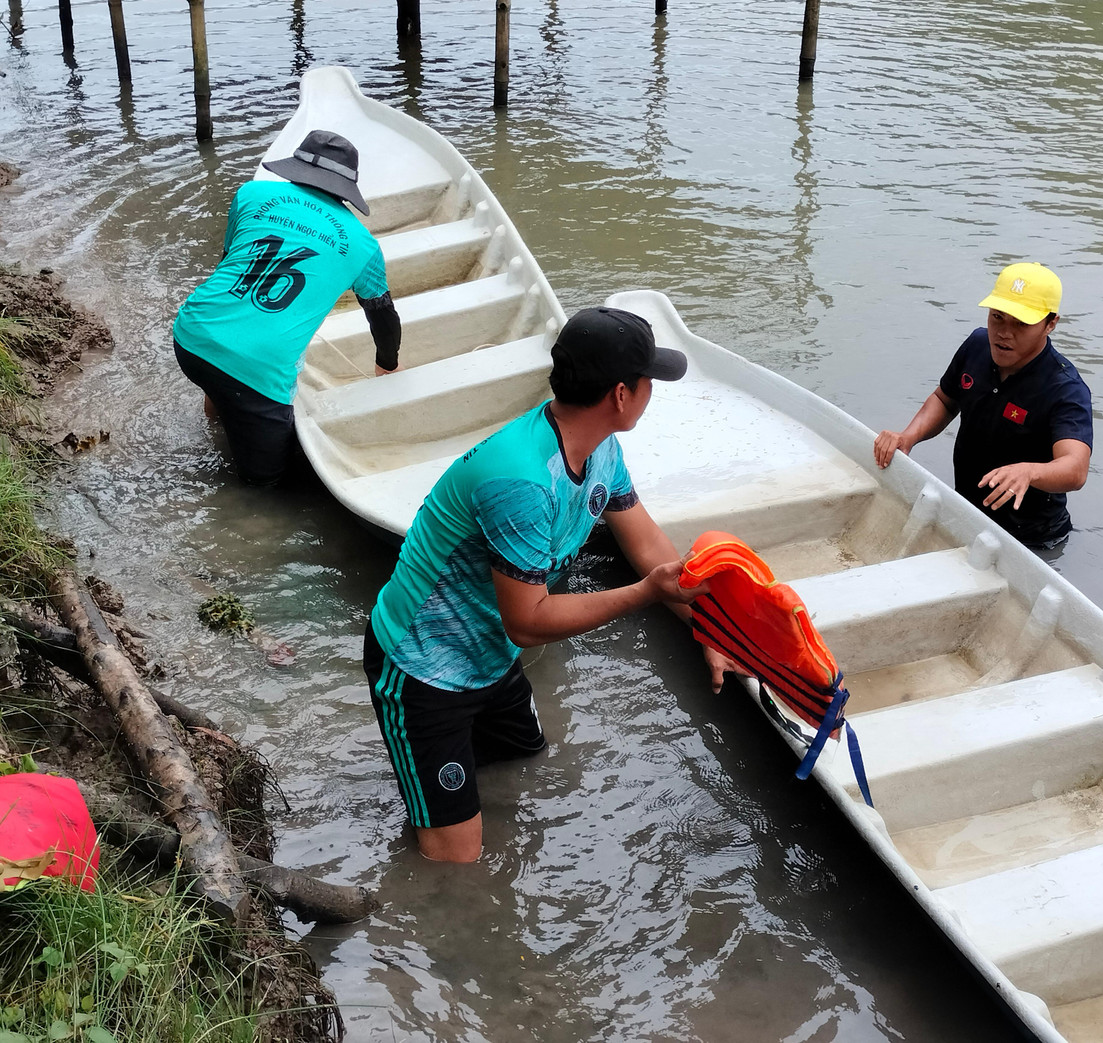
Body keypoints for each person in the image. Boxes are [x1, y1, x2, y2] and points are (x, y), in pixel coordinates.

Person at [363, 306, 734, 863]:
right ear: (620, 395)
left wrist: (708, 629)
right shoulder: (520, 479)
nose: (650, 390)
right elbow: (530, 621)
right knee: (456, 862)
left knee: (526, 767)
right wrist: (644, 594)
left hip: (489, 655)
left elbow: (647, 546)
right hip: (424, 668)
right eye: (647, 380)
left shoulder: (601, 447)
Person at [172, 130, 402, 486]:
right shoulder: (362, 244)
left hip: (191, 337)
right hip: (256, 374)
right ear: (347, 187)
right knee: (268, 484)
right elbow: (382, 314)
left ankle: (217, 413)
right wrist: (388, 363)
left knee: (222, 380)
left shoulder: (252, 193)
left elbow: (228, 262)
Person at [873, 262, 1093, 550]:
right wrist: (908, 436)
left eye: (1021, 324)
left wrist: (1029, 472)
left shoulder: (1065, 389)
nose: (1004, 332)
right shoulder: (977, 345)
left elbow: (1075, 469)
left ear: (1050, 323)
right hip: (968, 514)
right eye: (997, 317)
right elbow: (945, 399)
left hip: (1032, 537)